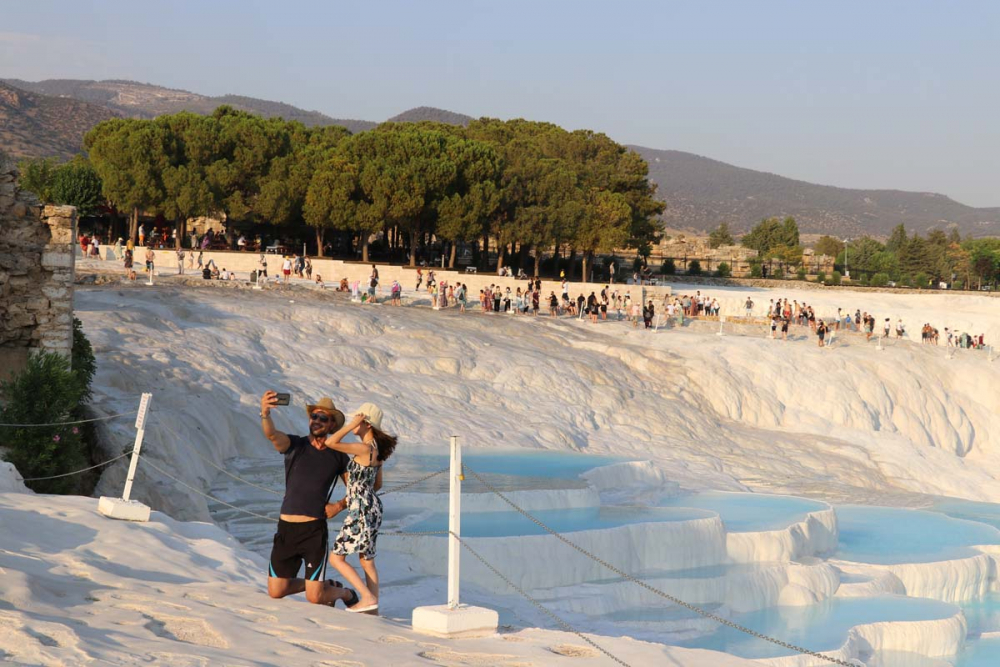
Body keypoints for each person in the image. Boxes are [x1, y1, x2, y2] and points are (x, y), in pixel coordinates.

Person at [258, 392, 356, 608]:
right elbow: (272, 435)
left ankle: (345, 593)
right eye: (314, 416)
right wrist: (265, 413)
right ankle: (325, 584)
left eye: (323, 418)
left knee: (314, 598)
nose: (317, 421)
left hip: (314, 531)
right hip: (286, 530)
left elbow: (355, 491)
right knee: (276, 592)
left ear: (332, 425)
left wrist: (338, 506)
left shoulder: (339, 456)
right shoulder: (295, 445)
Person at [324, 404, 397, 614]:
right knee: (367, 560)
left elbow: (331, 442)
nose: (354, 421)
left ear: (365, 422)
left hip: (361, 510)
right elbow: (378, 485)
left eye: (357, 419)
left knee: (336, 558)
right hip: (372, 507)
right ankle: (372, 608)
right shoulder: (377, 451)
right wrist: (360, 489)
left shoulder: (365, 448)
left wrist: (350, 425)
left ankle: (366, 597)